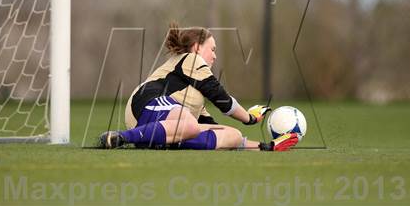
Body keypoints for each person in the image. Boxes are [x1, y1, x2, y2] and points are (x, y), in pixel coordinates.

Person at [99, 23, 298, 151]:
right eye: (212, 49)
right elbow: (221, 99)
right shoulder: (191, 59)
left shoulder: (193, 94)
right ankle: (121, 137)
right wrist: (250, 118)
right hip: (145, 105)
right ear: (196, 48)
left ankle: (160, 141)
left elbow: (210, 126)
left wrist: (267, 146)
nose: (215, 55)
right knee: (191, 125)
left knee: (232, 135)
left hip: (168, 116)